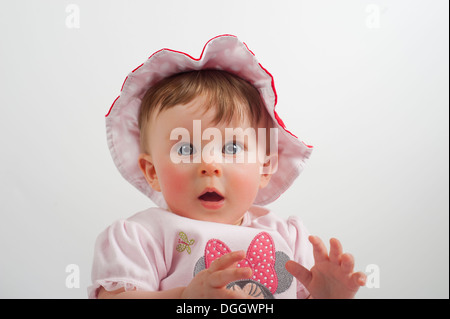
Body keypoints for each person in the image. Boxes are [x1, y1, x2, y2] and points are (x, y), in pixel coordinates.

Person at [88, 35, 366, 299]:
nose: (209, 165)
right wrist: (184, 297)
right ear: (152, 172)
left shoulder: (287, 238)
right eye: (185, 149)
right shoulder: (143, 236)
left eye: (232, 148)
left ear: (265, 167)